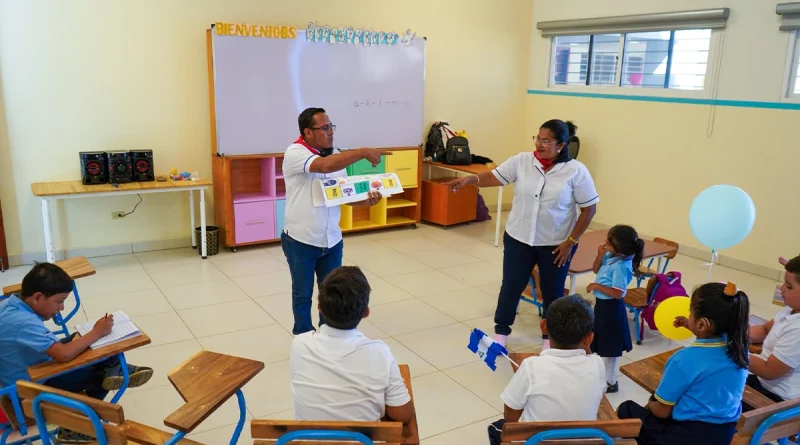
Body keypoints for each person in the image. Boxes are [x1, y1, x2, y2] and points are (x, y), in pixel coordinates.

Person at [445, 120, 598, 348]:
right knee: (511, 286)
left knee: (552, 292)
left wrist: (571, 242)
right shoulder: (522, 161)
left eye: (546, 141)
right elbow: (494, 176)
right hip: (519, 238)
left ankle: (549, 340)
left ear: (562, 145)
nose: (539, 144)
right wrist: (471, 179)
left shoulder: (576, 171)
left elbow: (589, 209)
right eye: (537, 138)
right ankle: (501, 334)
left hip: (556, 245)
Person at [0, 263, 153, 443]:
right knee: (99, 375)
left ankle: (113, 367)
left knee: (80, 340)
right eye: (59, 301)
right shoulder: (23, 322)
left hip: (24, 373)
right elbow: (62, 355)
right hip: (27, 392)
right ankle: (75, 429)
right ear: (37, 297)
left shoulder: (10, 304)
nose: (62, 308)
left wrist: (92, 335)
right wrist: (96, 332)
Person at [282, 107, 387, 335]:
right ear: (308, 132)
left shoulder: (335, 154)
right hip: (301, 240)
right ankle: (303, 335)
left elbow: (342, 195)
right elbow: (323, 166)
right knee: (302, 293)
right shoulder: (295, 152)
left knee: (329, 292)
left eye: (332, 127)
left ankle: (328, 334)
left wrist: (365, 203)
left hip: (331, 240)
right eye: (325, 128)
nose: (331, 132)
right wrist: (362, 152)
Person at [617, 282, 750, 445]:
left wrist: (651, 405)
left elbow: (662, 412)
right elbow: (712, 350)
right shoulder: (741, 351)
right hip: (722, 435)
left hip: (684, 438)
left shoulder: (683, 359)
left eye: (690, 312)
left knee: (626, 409)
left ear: (702, 324)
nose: (689, 316)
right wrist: (690, 325)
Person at [289, 266, 413, 424]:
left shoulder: (300, 345)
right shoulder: (379, 352)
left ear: (319, 308)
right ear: (366, 312)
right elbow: (402, 414)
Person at [487, 295, 605, 445]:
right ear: (589, 338)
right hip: (583, 441)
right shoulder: (598, 364)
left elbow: (511, 418)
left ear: (543, 326)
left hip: (538, 441)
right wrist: (586, 345)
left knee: (496, 428)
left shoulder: (531, 367)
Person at [585, 225, 644, 394]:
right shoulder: (611, 256)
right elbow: (596, 269)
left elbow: (618, 293)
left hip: (612, 309)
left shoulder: (621, 267)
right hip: (602, 306)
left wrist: (597, 285)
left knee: (611, 347)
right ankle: (601, 375)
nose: (605, 243)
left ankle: (611, 381)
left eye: (608, 242)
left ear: (620, 250)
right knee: (602, 342)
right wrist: (600, 255)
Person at [747, 255, 800, 402]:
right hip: (761, 383)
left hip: (776, 398)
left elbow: (768, 371)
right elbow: (764, 330)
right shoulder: (791, 309)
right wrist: (734, 333)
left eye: (789, 286)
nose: (781, 289)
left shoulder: (798, 330)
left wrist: (734, 350)